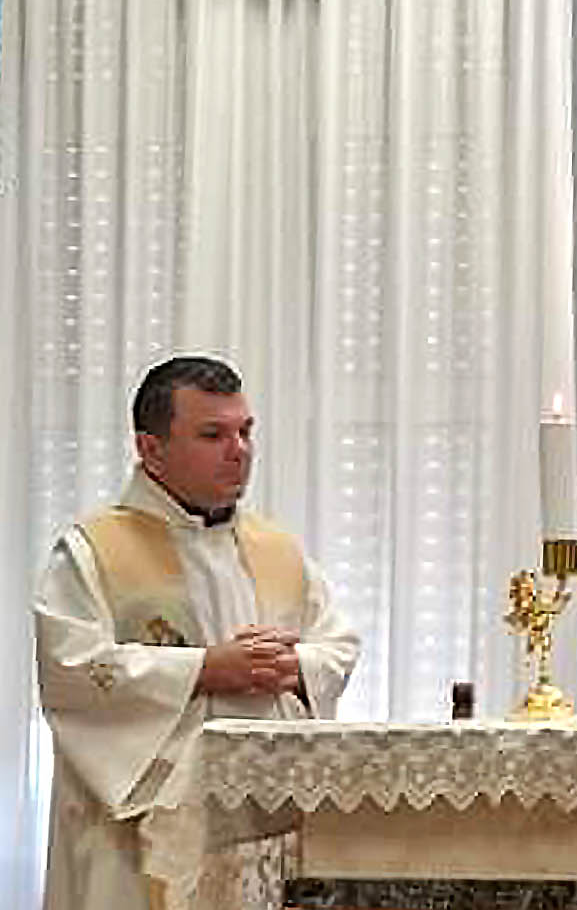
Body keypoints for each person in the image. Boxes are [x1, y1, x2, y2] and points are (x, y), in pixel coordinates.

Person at [34, 356, 359, 909]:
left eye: (245, 431)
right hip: (134, 840)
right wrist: (207, 669)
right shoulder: (92, 551)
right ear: (150, 448)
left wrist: (295, 668)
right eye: (213, 434)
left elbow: (338, 642)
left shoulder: (273, 547)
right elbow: (73, 671)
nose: (240, 450)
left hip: (260, 824)